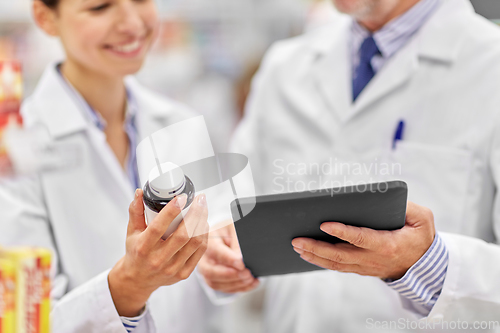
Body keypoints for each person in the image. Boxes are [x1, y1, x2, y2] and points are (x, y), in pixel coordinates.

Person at [198, 0, 500, 331]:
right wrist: (220, 252)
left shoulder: (490, 67)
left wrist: (428, 265)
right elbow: (232, 214)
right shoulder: (284, 68)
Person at [0, 0, 212, 331]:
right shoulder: (12, 152)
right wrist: (128, 286)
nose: (131, 23)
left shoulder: (180, 124)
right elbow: (26, 321)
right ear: (45, 17)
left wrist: (224, 274)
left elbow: (203, 288)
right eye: (100, 7)